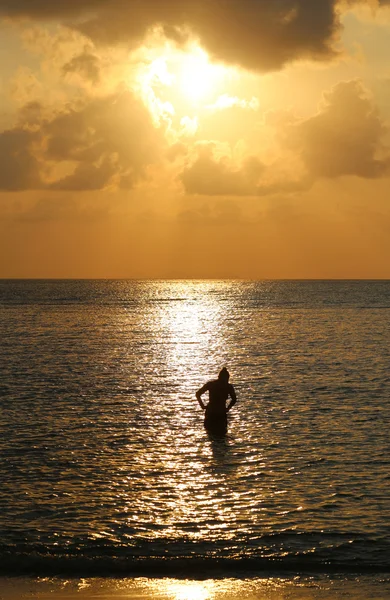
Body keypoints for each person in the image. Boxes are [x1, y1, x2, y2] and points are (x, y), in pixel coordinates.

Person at [196, 367, 237, 435]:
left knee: (210, 433)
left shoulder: (211, 384)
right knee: (221, 434)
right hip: (219, 412)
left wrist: (202, 406)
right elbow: (234, 399)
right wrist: (228, 408)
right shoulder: (228, 386)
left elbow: (198, 394)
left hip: (213, 411)